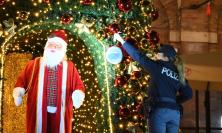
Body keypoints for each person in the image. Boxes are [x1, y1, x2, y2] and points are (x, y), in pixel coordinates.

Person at [113, 33, 193, 133]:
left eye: (159, 53)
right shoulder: (178, 73)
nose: (156, 54)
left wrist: (122, 40)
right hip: (174, 113)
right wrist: (173, 101)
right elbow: (189, 94)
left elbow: (138, 56)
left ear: (165, 57)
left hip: (159, 110)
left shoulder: (157, 67)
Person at [12, 29, 85, 133]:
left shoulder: (69, 66)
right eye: (51, 44)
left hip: (61, 111)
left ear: (63, 49)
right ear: (46, 46)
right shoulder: (34, 64)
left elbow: (78, 84)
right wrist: (18, 93)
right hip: (38, 110)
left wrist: (77, 95)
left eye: (58, 45)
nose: (54, 47)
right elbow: (22, 79)